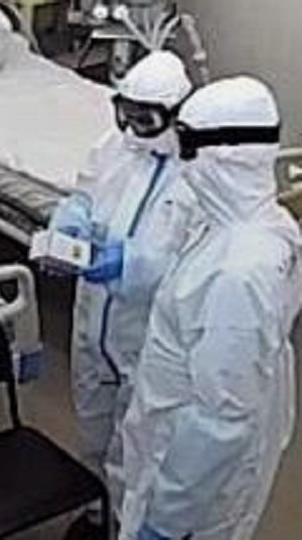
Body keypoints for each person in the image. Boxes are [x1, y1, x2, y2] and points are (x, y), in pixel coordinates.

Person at [119, 76, 302, 540]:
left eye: (184, 142)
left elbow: (221, 421)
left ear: (223, 155)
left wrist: (166, 521)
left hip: (188, 488)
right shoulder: (253, 224)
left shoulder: (238, 274)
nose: (177, 156)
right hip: (179, 450)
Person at [40, 50, 197, 539]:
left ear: (175, 115)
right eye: (123, 113)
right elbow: (85, 193)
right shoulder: (115, 146)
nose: (131, 128)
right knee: (91, 420)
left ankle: (126, 524)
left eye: (143, 119)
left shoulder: (198, 175)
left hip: (144, 330)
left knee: (137, 441)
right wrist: (70, 221)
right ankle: (96, 512)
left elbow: (191, 265)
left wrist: (129, 264)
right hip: (94, 314)